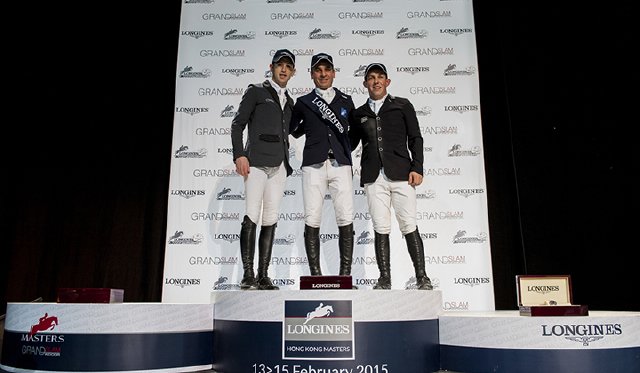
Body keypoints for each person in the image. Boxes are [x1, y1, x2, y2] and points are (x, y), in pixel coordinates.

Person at [349, 62, 433, 290]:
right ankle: (384, 278)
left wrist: (417, 167)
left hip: (402, 174)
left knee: (409, 225)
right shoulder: (359, 114)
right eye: (371, 77)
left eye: (380, 77)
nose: (375, 81)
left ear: (387, 81)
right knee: (380, 227)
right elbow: (350, 143)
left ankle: (422, 276)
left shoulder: (402, 105)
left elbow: (415, 138)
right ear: (365, 83)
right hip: (373, 177)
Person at [230, 49, 296, 290]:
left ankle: (263, 274)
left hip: (278, 167)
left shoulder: (290, 102)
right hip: (255, 163)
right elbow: (237, 124)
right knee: (251, 216)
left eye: (288, 66)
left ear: (293, 72)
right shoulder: (255, 90)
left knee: (270, 219)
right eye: (280, 65)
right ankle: (248, 274)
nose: (283, 69)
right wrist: (239, 154)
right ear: (272, 66)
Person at [290, 53, 356, 280]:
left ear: (334, 73)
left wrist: (346, 152)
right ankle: (315, 278)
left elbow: (354, 134)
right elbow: (292, 129)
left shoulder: (346, 101)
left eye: (327, 69)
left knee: (345, 217)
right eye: (318, 70)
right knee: (312, 218)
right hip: (313, 166)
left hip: (340, 165)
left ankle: (345, 277)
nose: (323, 74)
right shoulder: (303, 103)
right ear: (311, 74)